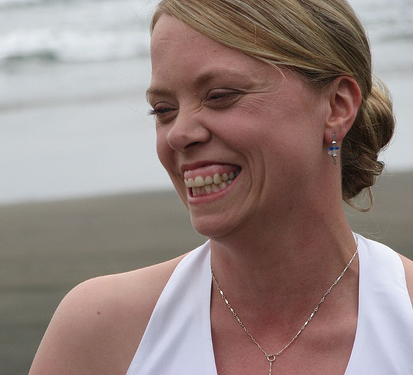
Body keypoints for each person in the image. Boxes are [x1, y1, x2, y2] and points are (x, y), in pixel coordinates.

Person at [29, 0, 413, 374]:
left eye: (220, 96)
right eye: (164, 110)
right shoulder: (102, 330)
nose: (179, 133)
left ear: (337, 106)